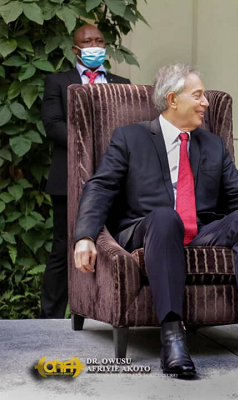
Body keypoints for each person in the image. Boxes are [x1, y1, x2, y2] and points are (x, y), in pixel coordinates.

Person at [72, 63, 238, 378]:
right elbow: (100, 187)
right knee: (165, 217)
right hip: (151, 228)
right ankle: (172, 336)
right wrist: (85, 236)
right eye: (197, 95)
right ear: (172, 99)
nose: (205, 103)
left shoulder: (212, 145)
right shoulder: (130, 138)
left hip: (201, 230)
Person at [40, 24, 130, 319]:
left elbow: (128, 128)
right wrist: (90, 144)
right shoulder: (58, 82)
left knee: (114, 244)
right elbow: (53, 126)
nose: (95, 45)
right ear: (75, 49)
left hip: (115, 179)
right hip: (68, 179)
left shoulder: (122, 83)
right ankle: (50, 318)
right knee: (63, 248)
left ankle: (108, 309)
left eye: (100, 41)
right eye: (87, 41)